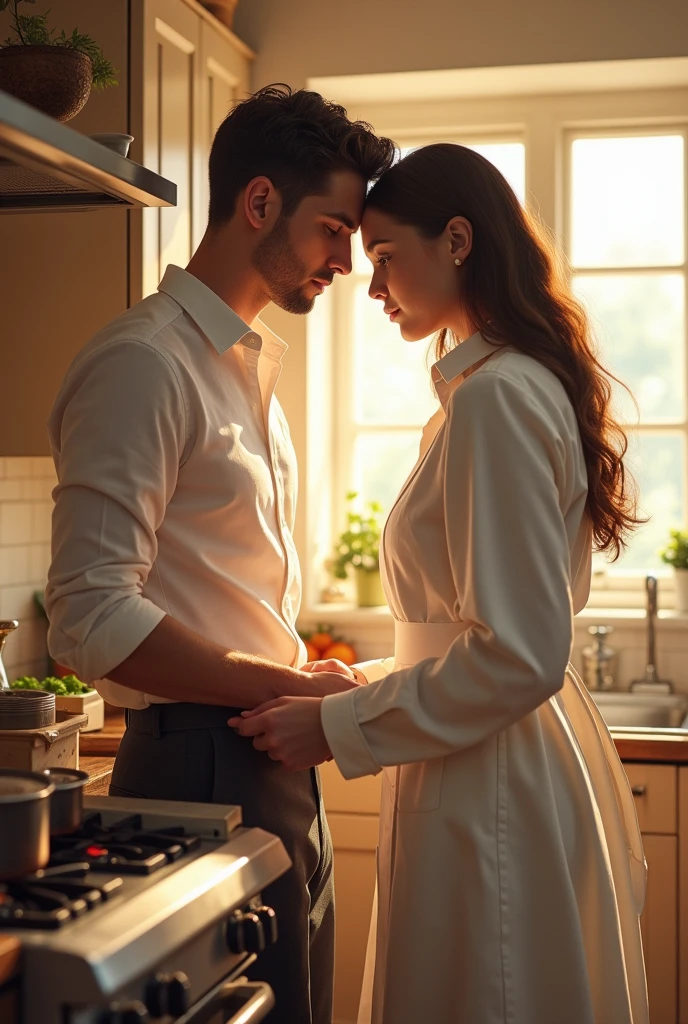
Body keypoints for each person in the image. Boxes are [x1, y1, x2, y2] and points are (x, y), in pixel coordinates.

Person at [231, 142, 650, 1024]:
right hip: (487, 757)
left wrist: (336, 723)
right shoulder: (495, 389)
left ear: (456, 240)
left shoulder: (495, 399)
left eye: (385, 259)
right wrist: (373, 682)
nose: (371, 286)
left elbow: (518, 655)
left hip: (487, 774)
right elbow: (478, 635)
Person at [45, 85, 395, 1024]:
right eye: (334, 228)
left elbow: (218, 581)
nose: (348, 261)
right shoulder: (143, 364)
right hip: (200, 763)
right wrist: (281, 687)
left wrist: (301, 678)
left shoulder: (243, 369)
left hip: (271, 751)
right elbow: (89, 616)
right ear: (258, 204)